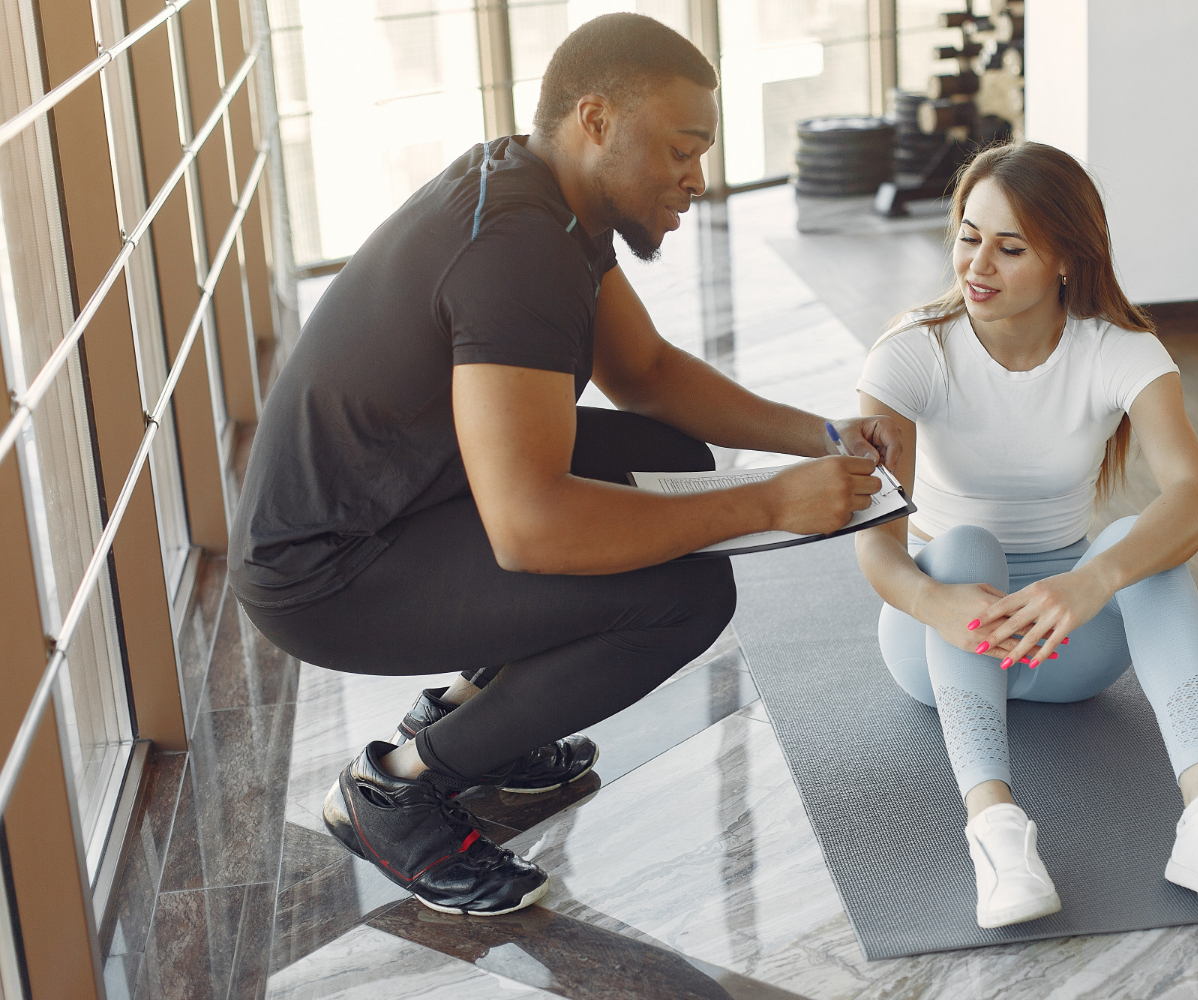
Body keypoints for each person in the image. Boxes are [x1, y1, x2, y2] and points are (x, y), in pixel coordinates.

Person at [228, 13, 898, 917]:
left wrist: (822, 435)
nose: (696, 179)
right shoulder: (518, 250)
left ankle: (471, 714)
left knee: (666, 458)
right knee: (686, 596)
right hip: (327, 574)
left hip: (402, 501)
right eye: (680, 150)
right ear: (595, 120)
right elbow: (532, 528)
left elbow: (645, 373)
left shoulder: (544, 198)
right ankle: (396, 787)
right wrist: (770, 502)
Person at [854, 142, 1198, 929]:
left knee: (1139, 545)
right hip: (937, 639)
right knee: (966, 546)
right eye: (968, 236)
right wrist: (938, 604)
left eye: (1010, 248)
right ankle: (996, 835)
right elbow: (875, 540)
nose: (978, 264)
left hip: (1068, 644)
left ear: (1065, 260)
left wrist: (1091, 581)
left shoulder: (1117, 349)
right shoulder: (913, 350)